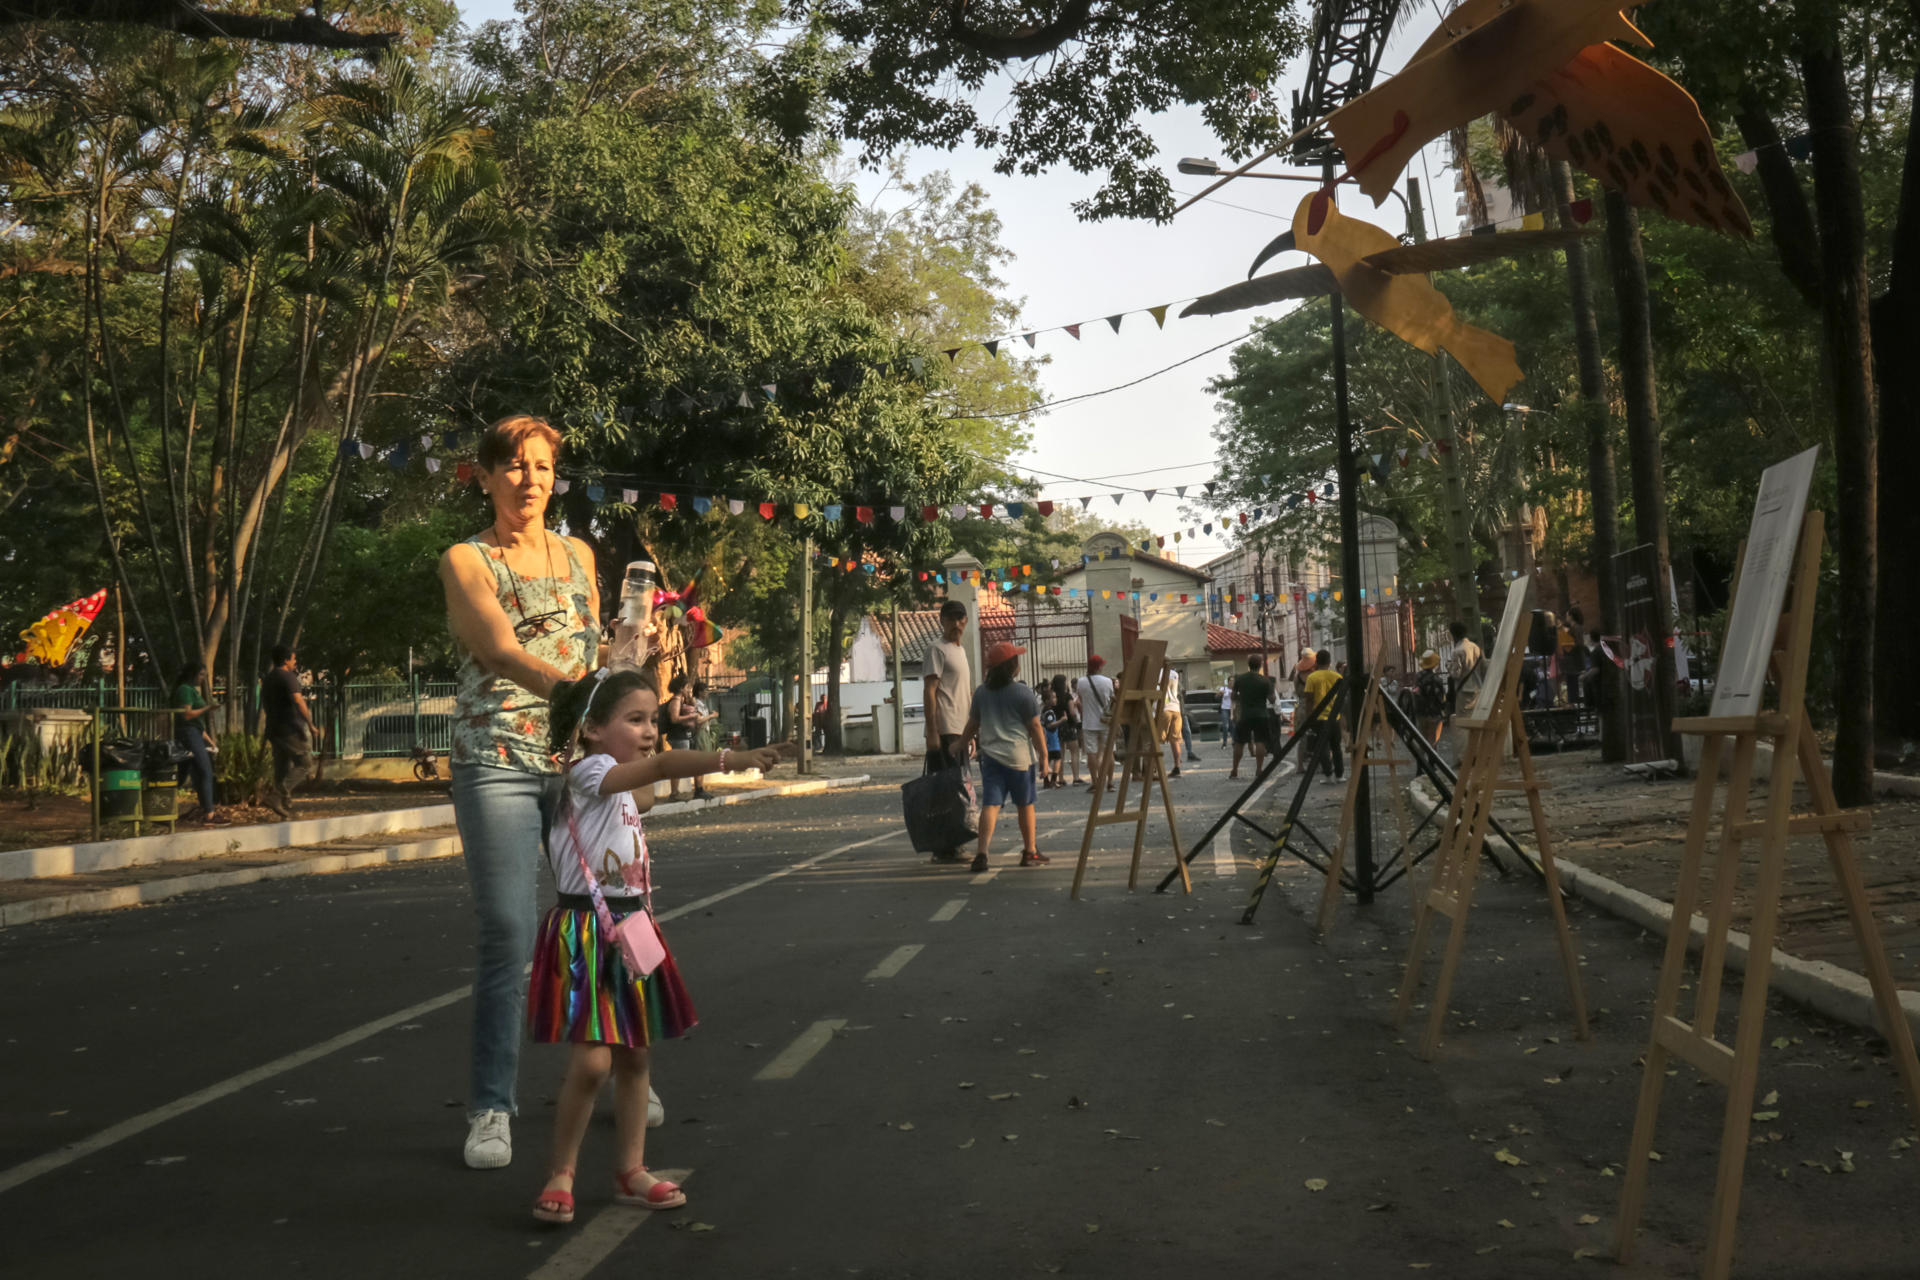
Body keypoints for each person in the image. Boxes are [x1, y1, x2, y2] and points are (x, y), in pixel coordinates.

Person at [529, 669, 789, 1225]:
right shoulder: (589, 772)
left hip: (632, 925)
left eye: (653, 720)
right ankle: (562, 1171)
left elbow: (647, 787)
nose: (651, 731)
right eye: (636, 720)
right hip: (585, 931)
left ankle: (631, 1169)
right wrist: (735, 760)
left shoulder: (621, 781)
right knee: (593, 1061)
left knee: (636, 1053)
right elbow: (666, 766)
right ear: (593, 729)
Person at [440, 413, 602, 1171]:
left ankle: (619, 1072)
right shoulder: (465, 559)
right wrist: (580, 694)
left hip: (579, 766)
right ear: (484, 475)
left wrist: (634, 689)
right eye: (513, 465)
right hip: (497, 760)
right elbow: (501, 650)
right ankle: (490, 1108)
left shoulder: (579, 555)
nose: (529, 479)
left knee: (608, 922)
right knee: (509, 934)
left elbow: (601, 643)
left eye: (541, 466)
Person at [960, 642, 1049, 872]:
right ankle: (1030, 851)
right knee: (1025, 805)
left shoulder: (981, 692)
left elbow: (973, 724)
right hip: (1019, 758)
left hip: (990, 758)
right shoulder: (1022, 692)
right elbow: (1036, 727)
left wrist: (959, 744)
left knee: (991, 805)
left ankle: (982, 854)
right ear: (1012, 666)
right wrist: (1045, 758)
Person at [260, 644, 314, 819]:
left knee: (282, 767)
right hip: (289, 728)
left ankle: (282, 809)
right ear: (285, 660)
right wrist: (310, 724)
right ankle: (276, 796)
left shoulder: (268, 679)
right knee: (305, 763)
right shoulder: (288, 677)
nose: (295, 662)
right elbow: (298, 701)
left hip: (273, 729)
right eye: (293, 659)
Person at [171, 661, 228, 826]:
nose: (203, 679)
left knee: (182, 774)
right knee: (205, 771)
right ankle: (209, 813)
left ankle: (160, 806)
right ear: (193, 674)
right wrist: (207, 708)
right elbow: (187, 716)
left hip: (194, 733)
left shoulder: (191, 690)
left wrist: (210, 741)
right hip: (188, 735)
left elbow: (197, 724)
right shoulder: (184, 690)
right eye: (201, 675)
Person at [922, 600, 972, 770]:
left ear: (966, 620)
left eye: (960, 619)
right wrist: (932, 732)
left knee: (960, 787)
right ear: (942, 621)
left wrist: (969, 732)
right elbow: (930, 690)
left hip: (960, 729)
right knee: (948, 788)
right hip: (945, 730)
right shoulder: (936, 649)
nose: (956, 624)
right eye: (951, 619)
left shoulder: (960, 650)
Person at [1444, 618, 1485, 766]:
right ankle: (1478, 754)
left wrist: (1448, 665)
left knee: (1463, 725)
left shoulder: (1457, 651)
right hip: (1477, 689)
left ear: (1453, 634)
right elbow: (1483, 668)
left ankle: (1464, 757)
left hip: (1463, 691)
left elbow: (1456, 674)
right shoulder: (1476, 647)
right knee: (1477, 723)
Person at [1074, 656, 1116, 790]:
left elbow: (1080, 699)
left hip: (1088, 722)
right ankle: (1110, 782)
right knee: (1109, 752)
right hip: (1106, 721)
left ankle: (1095, 782)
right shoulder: (1108, 681)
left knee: (1091, 753)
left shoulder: (1081, 682)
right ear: (1099, 667)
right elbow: (1111, 699)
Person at [1228, 655, 1274, 780]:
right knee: (1260, 741)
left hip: (1245, 715)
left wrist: (1242, 698)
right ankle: (1259, 770)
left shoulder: (1241, 679)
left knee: (1239, 742)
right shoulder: (1265, 681)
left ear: (1249, 664)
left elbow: (1233, 696)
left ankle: (1235, 770)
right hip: (1261, 714)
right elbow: (1272, 699)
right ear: (1260, 665)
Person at [1302, 650, 1344, 782]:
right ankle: (1340, 775)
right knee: (1336, 747)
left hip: (1319, 718)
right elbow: (1342, 697)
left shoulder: (1312, 677)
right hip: (1334, 717)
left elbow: (1309, 699)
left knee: (1321, 748)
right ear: (1329, 661)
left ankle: (1328, 775)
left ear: (1316, 662)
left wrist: (1309, 718)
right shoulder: (1337, 677)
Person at [661, 673, 702, 800]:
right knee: (679, 765)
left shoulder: (681, 701)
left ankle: (692, 790)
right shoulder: (676, 701)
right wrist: (692, 716)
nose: (688, 690)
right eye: (687, 687)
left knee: (685, 764)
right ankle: (674, 793)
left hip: (682, 736)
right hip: (678, 737)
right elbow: (674, 718)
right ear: (681, 688)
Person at [1050, 674, 1084, 785]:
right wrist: (1075, 721)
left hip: (1056, 725)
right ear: (1063, 683)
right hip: (1068, 725)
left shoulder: (1053, 696)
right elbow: (1072, 713)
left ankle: (1060, 778)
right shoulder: (1067, 696)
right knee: (1074, 751)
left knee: (1061, 753)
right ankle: (1076, 777)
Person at [1414, 650, 1447, 747]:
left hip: (1420, 712)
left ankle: (1421, 760)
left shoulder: (1418, 677)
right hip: (1434, 713)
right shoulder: (1437, 680)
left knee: (1422, 740)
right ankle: (1431, 760)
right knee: (1433, 741)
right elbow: (1441, 698)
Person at [1159, 665, 1186, 778]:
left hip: (1164, 708)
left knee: (1156, 740)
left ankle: (1155, 768)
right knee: (1175, 740)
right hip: (1176, 708)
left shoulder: (1157, 673)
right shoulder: (1174, 674)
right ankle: (1177, 766)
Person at [1040, 688, 1065, 788]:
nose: (1055, 699)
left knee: (1048, 759)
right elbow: (1050, 725)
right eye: (1053, 698)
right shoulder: (1049, 712)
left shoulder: (1045, 710)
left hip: (1048, 740)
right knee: (1058, 758)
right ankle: (1053, 780)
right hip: (1052, 740)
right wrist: (1061, 720)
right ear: (1047, 700)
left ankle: (1046, 781)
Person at [1217, 679, 1232, 745]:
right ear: (1228, 682)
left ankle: (1234, 741)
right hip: (1224, 708)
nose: (1232, 682)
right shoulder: (1223, 688)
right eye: (1230, 681)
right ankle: (1224, 742)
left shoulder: (1236, 689)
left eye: (1233, 681)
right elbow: (1217, 695)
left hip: (1232, 709)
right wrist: (1220, 693)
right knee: (1225, 726)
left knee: (1233, 726)